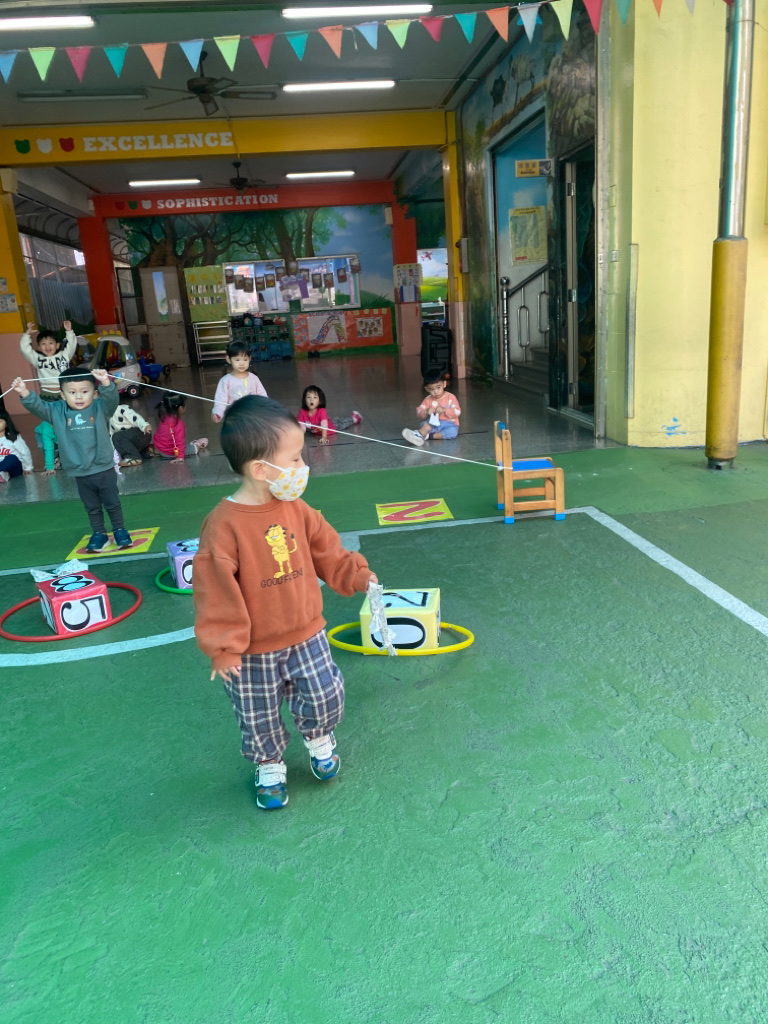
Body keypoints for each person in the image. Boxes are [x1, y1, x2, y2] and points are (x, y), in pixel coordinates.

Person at [193, 395, 377, 810]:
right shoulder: (223, 526)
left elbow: (327, 548)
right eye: (294, 459)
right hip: (252, 650)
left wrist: (354, 574)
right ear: (261, 469)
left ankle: (319, 737)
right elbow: (214, 589)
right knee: (256, 714)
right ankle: (269, 763)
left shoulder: (297, 508)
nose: (302, 467)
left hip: (307, 633)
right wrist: (223, 646)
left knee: (325, 694)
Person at [13, 367, 133, 552]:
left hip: (103, 468)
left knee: (112, 503)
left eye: (84, 391)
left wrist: (105, 382)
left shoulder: (100, 407)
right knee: (91, 506)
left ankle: (119, 530)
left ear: (94, 393)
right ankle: (99, 533)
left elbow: (111, 400)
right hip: (80, 472)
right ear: (62, 395)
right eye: (72, 392)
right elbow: (39, 407)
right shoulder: (56, 411)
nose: (78, 397)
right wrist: (24, 392)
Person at [20, 319, 78, 401]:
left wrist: (69, 331)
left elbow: (72, 345)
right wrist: (27, 334)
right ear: (39, 347)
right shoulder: (37, 358)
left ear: (57, 345)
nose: (47, 346)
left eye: (51, 343)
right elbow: (24, 349)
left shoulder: (64, 355)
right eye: (43, 344)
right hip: (47, 394)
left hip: (65, 392)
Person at [211, 340, 267, 423]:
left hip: (253, 417)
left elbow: (262, 395)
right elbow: (221, 400)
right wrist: (217, 413)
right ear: (228, 359)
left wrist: (266, 409)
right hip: (234, 419)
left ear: (250, 359)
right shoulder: (225, 380)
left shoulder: (254, 378)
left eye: (245, 360)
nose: (241, 363)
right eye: (237, 360)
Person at [402, 370, 461, 447]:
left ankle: (428, 436)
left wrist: (445, 410)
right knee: (426, 425)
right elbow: (419, 412)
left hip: (449, 424)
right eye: (432, 389)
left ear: (444, 384)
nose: (436, 392)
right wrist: (426, 411)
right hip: (433, 424)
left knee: (452, 432)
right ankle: (418, 434)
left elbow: (457, 412)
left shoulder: (451, 397)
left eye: (438, 387)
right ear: (427, 389)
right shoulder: (428, 399)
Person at [297, 385, 362, 445]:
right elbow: (302, 427)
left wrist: (324, 437)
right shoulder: (302, 412)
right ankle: (331, 418)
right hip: (316, 429)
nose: (311, 400)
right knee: (331, 419)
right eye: (308, 397)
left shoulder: (321, 411)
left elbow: (324, 425)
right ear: (304, 400)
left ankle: (355, 418)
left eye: (315, 397)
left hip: (330, 428)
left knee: (342, 423)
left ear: (320, 401)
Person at [153, 394, 208, 462]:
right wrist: (180, 457)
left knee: (181, 439)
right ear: (181, 408)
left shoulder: (164, 416)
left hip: (158, 447)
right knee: (202, 443)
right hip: (169, 453)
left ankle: (191, 444)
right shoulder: (178, 424)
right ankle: (196, 444)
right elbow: (179, 442)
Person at [0, 409, 33, 482]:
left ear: (6, 424)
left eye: (0, 421)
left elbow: (25, 452)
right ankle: (2, 474)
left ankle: (3, 474)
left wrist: (28, 468)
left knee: (11, 458)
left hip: (14, 468)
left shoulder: (13, 437)